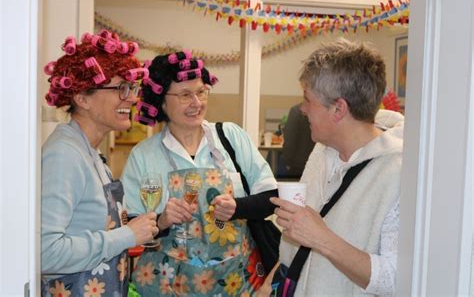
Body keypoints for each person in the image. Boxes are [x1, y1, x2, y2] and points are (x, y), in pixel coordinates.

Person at [121, 51, 278, 296]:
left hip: (238, 281)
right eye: (185, 95)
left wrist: (238, 206)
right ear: (161, 100)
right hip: (169, 283)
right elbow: (130, 225)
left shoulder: (231, 137)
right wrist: (162, 220)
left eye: (201, 92)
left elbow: (271, 196)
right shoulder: (144, 155)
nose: (197, 103)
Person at [265, 39, 404, 296]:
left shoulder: (398, 174)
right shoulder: (322, 151)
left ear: (338, 108)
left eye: (308, 100)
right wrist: (268, 285)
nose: (302, 109)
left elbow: (395, 279)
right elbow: (300, 245)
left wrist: (322, 238)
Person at [41, 30, 159, 296]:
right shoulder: (64, 155)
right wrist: (127, 236)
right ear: (82, 98)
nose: (131, 98)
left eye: (131, 88)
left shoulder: (90, 153)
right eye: (121, 88)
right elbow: (45, 253)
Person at [281, 102, 315, 178]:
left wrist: (288, 162)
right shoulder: (323, 111)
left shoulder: (296, 111)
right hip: (317, 166)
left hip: (297, 166)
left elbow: (289, 141)